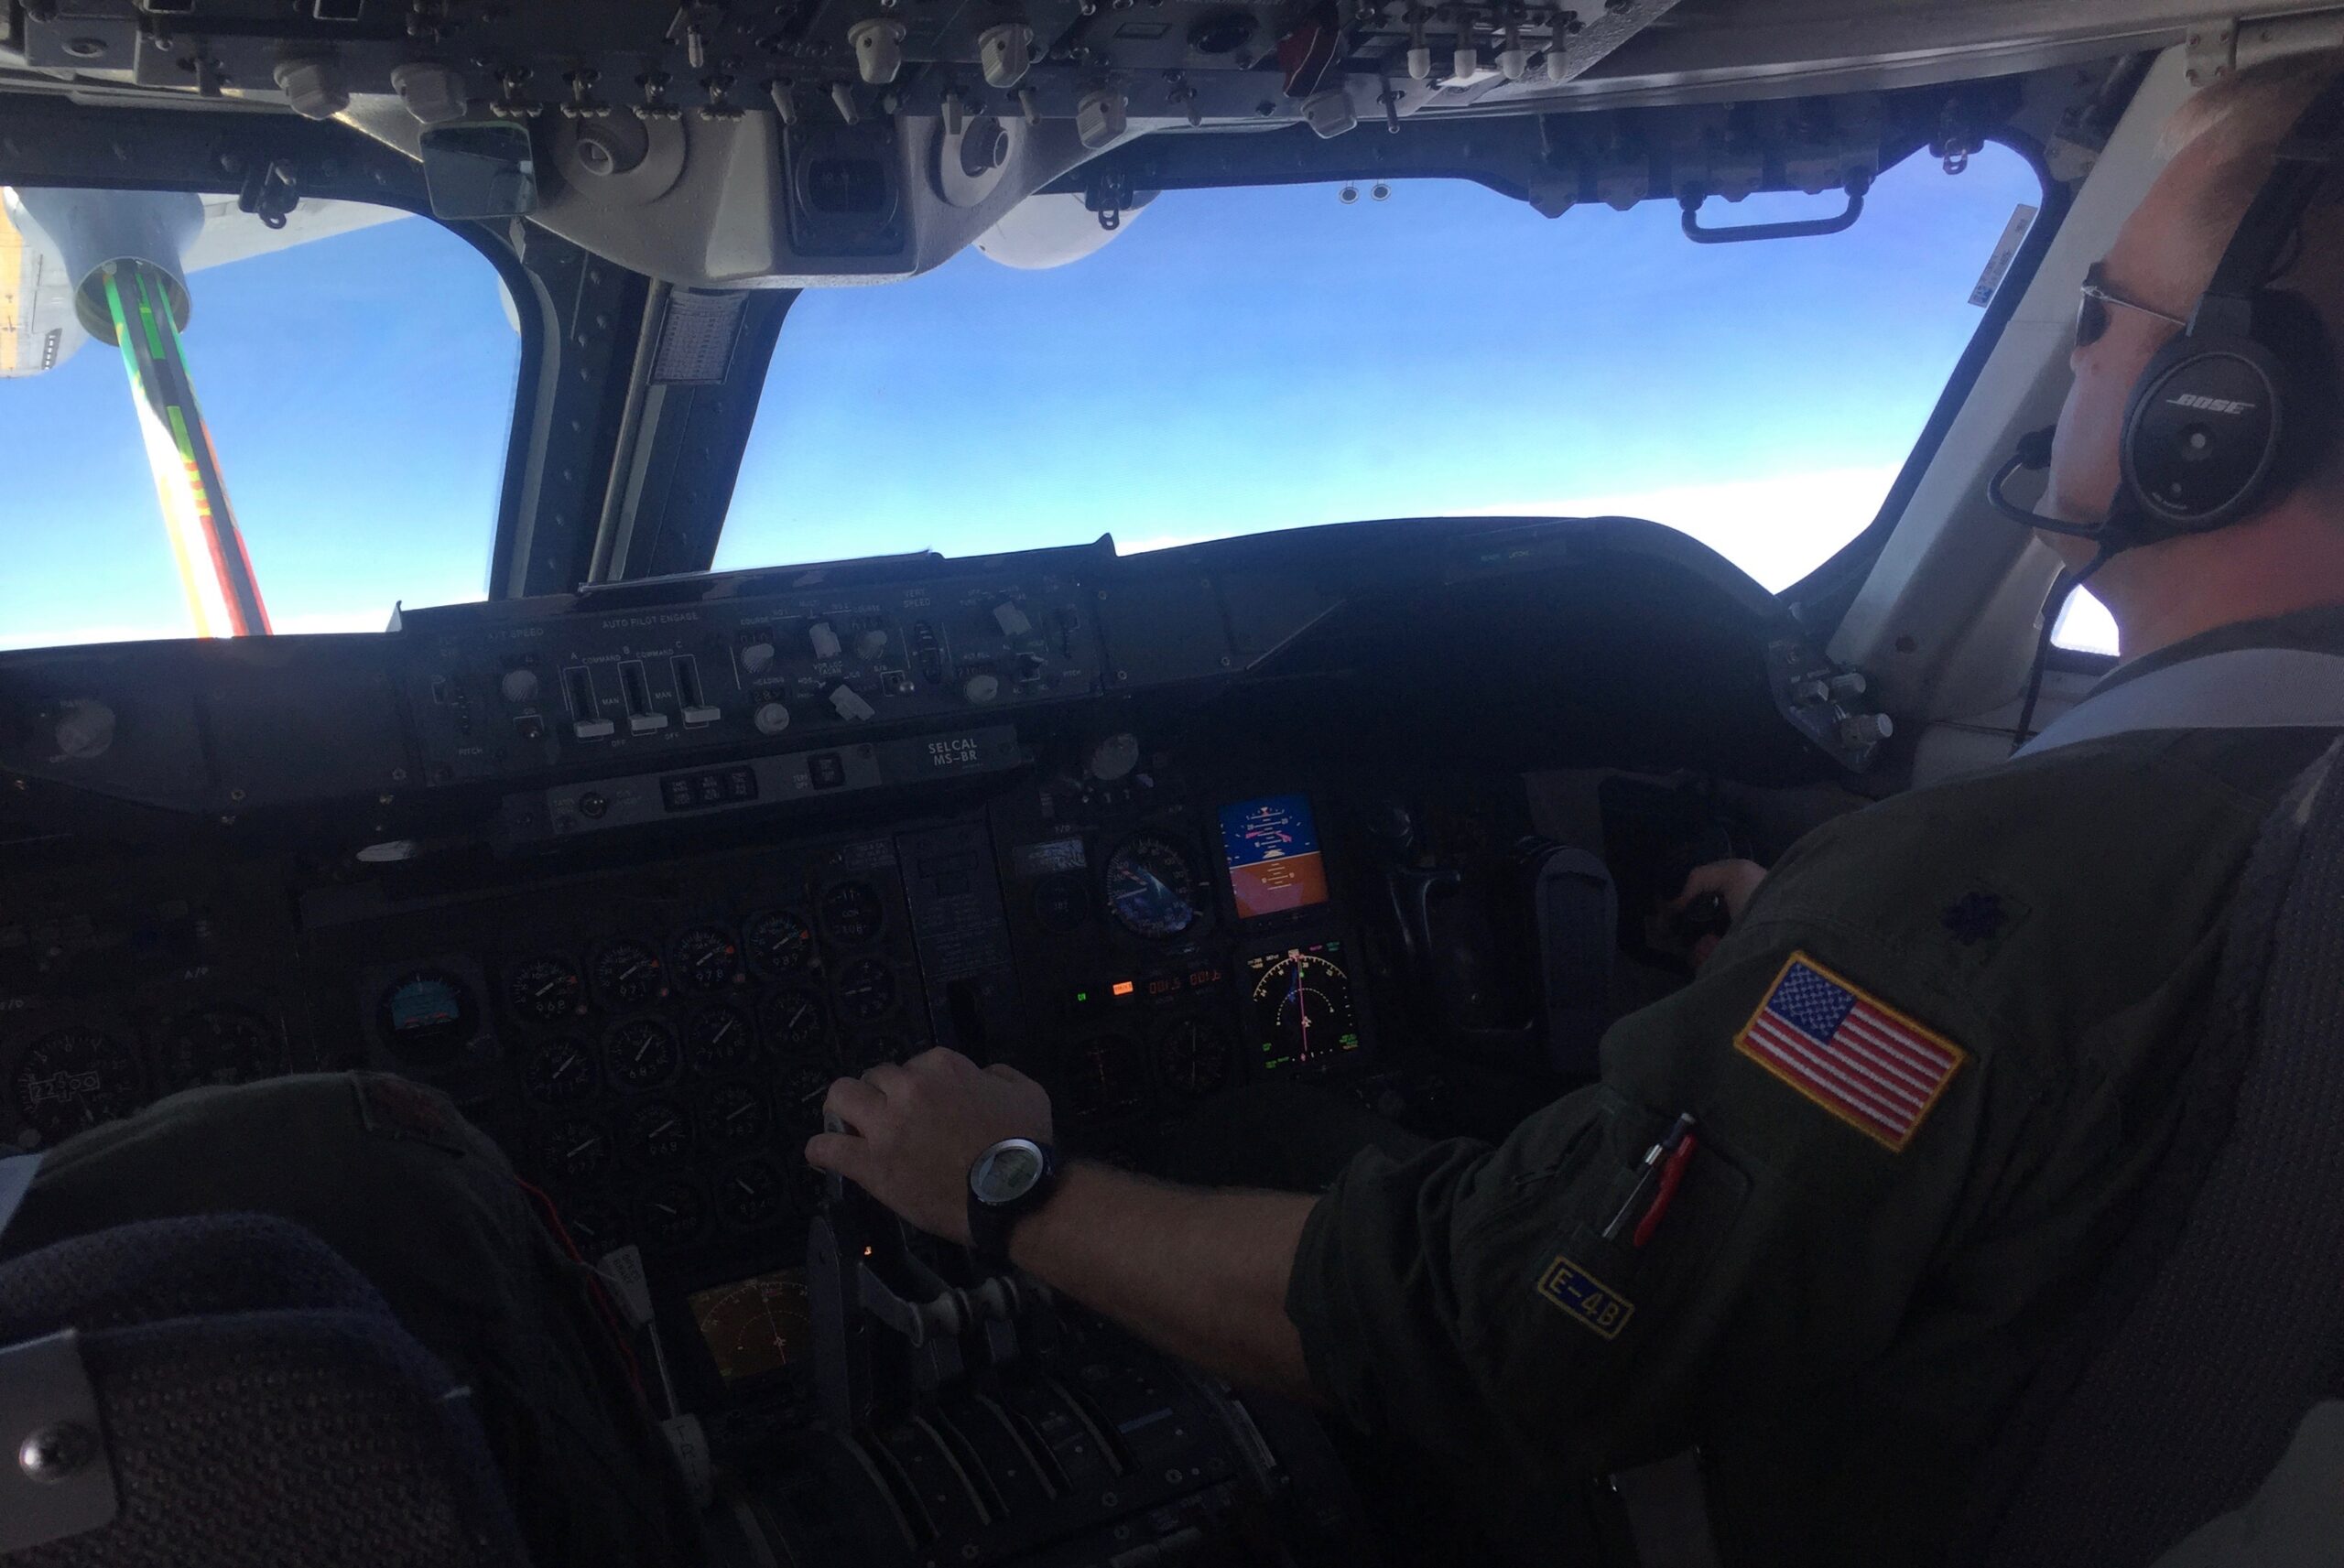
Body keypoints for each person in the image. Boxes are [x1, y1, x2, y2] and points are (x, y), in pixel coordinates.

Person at [805, 53, 2344, 1566]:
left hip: (1715, 1506)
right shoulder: (2235, 833)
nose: (2075, 358)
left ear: (2216, 417)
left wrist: (1011, 1187)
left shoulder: (1978, 896)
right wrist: (1799, 962)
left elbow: (1508, 1336)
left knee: (1263, 1138)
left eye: (2098, 313)